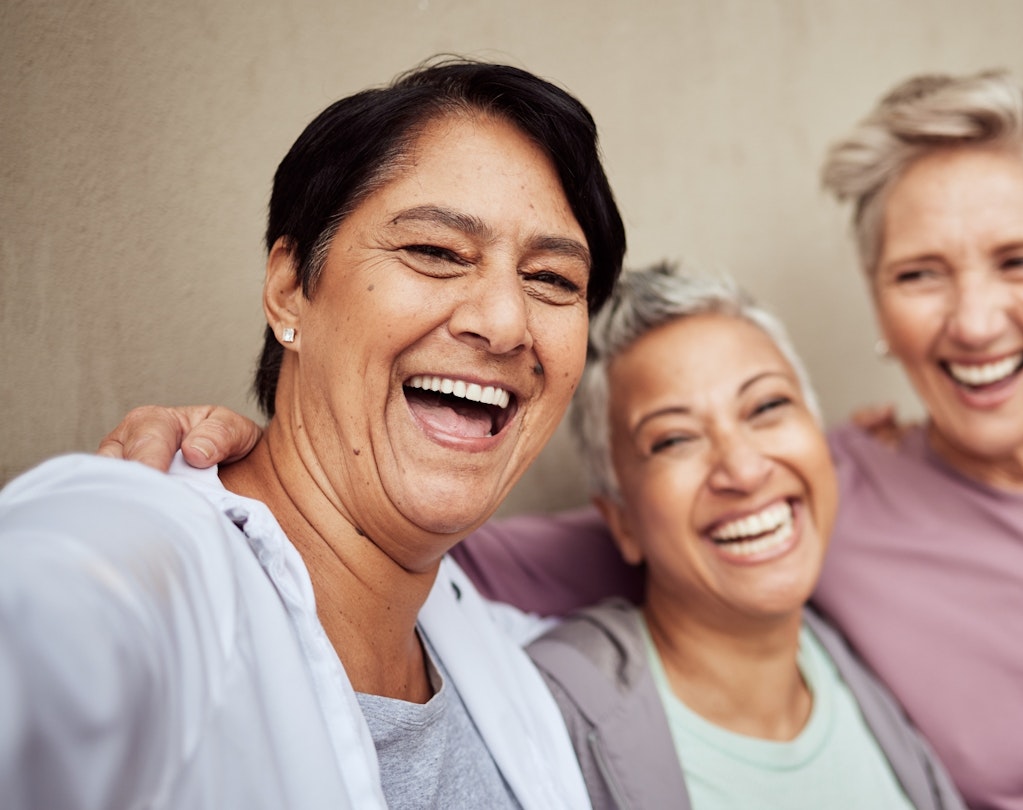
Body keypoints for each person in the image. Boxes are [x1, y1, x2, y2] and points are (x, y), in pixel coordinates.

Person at [100, 70, 1023, 809]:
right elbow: (423, 522)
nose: (975, 317)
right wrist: (251, 452)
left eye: (1022, 261)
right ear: (881, 307)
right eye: (918, 273)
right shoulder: (838, 485)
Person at [1, 57, 624, 809]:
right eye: (435, 252)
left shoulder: (484, 640)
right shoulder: (137, 562)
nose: (501, 322)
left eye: (553, 280)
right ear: (289, 287)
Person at [524, 264, 962, 810]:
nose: (745, 470)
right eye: (675, 440)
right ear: (621, 521)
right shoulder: (545, 716)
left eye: (768, 406)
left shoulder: (871, 660)